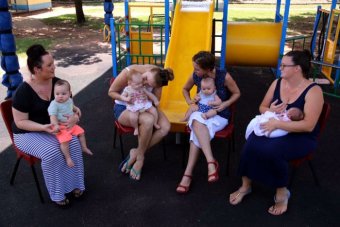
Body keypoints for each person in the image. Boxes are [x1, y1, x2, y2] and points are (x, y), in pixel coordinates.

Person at [229, 50, 324, 216]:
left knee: (272, 150)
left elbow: (308, 126)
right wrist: (270, 110)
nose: (280, 68)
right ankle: (245, 185)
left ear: (297, 69)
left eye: (284, 65)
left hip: (300, 135)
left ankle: (282, 191)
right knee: (251, 143)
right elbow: (262, 107)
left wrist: (277, 123)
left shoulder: (313, 91)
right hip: (276, 126)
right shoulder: (278, 83)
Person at [11, 44, 86, 207]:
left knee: (73, 143)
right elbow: (20, 122)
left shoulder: (59, 84)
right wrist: (43, 128)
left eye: (53, 63)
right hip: (26, 133)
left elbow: (69, 108)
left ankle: (74, 184)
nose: (54, 67)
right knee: (52, 152)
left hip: (54, 129)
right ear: (37, 69)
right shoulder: (23, 92)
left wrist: (74, 117)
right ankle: (57, 194)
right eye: (49, 65)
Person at [176, 51, 241, 194]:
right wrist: (190, 103)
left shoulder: (224, 77)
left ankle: (188, 174)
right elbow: (185, 89)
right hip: (201, 113)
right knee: (197, 121)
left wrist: (226, 104)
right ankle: (210, 162)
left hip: (219, 115)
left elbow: (237, 93)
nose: (195, 71)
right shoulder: (195, 77)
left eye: (197, 69)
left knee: (195, 129)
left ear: (208, 69)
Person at [108, 64, 174, 181]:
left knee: (165, 127)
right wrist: (126, 99)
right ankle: (140, 159)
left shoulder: (158, 76)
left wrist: (150, 96)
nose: (144, 84)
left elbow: (156, 100)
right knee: (148, 120)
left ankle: (137, 152)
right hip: (124, 107)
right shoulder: (129, 72)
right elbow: (111, 92)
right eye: (145, 79)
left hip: (143, 105)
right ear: (148, 70)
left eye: (149, 85)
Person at [48, 79, 93, 168]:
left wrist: (76, 109)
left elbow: (71, 106)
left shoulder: (69, 100)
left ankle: (84, 147)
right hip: (61, 127)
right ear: (54, 93)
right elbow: (52, 116)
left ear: (69, 93)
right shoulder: (54, 104)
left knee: (81, 132)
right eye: (57, 94)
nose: (60, 96)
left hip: (71, 125)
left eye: (63, 94)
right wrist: (55, 125)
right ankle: (68, 158)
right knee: (65, 141)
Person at [120, 68, 160, 135]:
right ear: (129, 83)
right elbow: (122, 96)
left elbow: (149, 94)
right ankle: (136, 128)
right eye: (137, 84)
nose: (140, 85)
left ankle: (155, 123)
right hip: (134, 105)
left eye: (141, 83)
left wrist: (155, 100)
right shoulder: (127, 89)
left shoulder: (142, 88)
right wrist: (126, 99)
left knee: (154, 110)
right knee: (133, 117)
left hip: (144, 103)